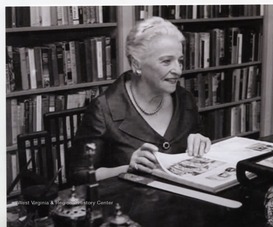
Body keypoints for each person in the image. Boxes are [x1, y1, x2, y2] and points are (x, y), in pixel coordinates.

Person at [70, 17, 211, 184]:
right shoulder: (103, 109)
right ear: (136, 65)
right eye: (166, 61)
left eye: (179, 61)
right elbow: (78, 176)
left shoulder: (185, 99)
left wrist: (202, 142)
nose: (178, 70)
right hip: (125, 206)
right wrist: (126, 168)